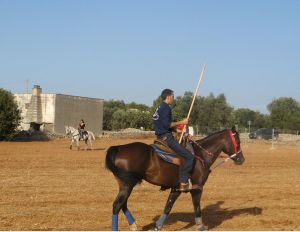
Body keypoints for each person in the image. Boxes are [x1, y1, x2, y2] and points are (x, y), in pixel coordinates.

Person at [153, 89, 194, 192]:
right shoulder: (166, 108)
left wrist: (183, 133)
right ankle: (183, 181)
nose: (174, 98)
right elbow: (168, 125)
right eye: (173, 96)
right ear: (168, 97)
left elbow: (165, 126)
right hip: (168, 139)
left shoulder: (160, 107)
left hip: (160, 137)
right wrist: (182, 121)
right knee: (189, 157)